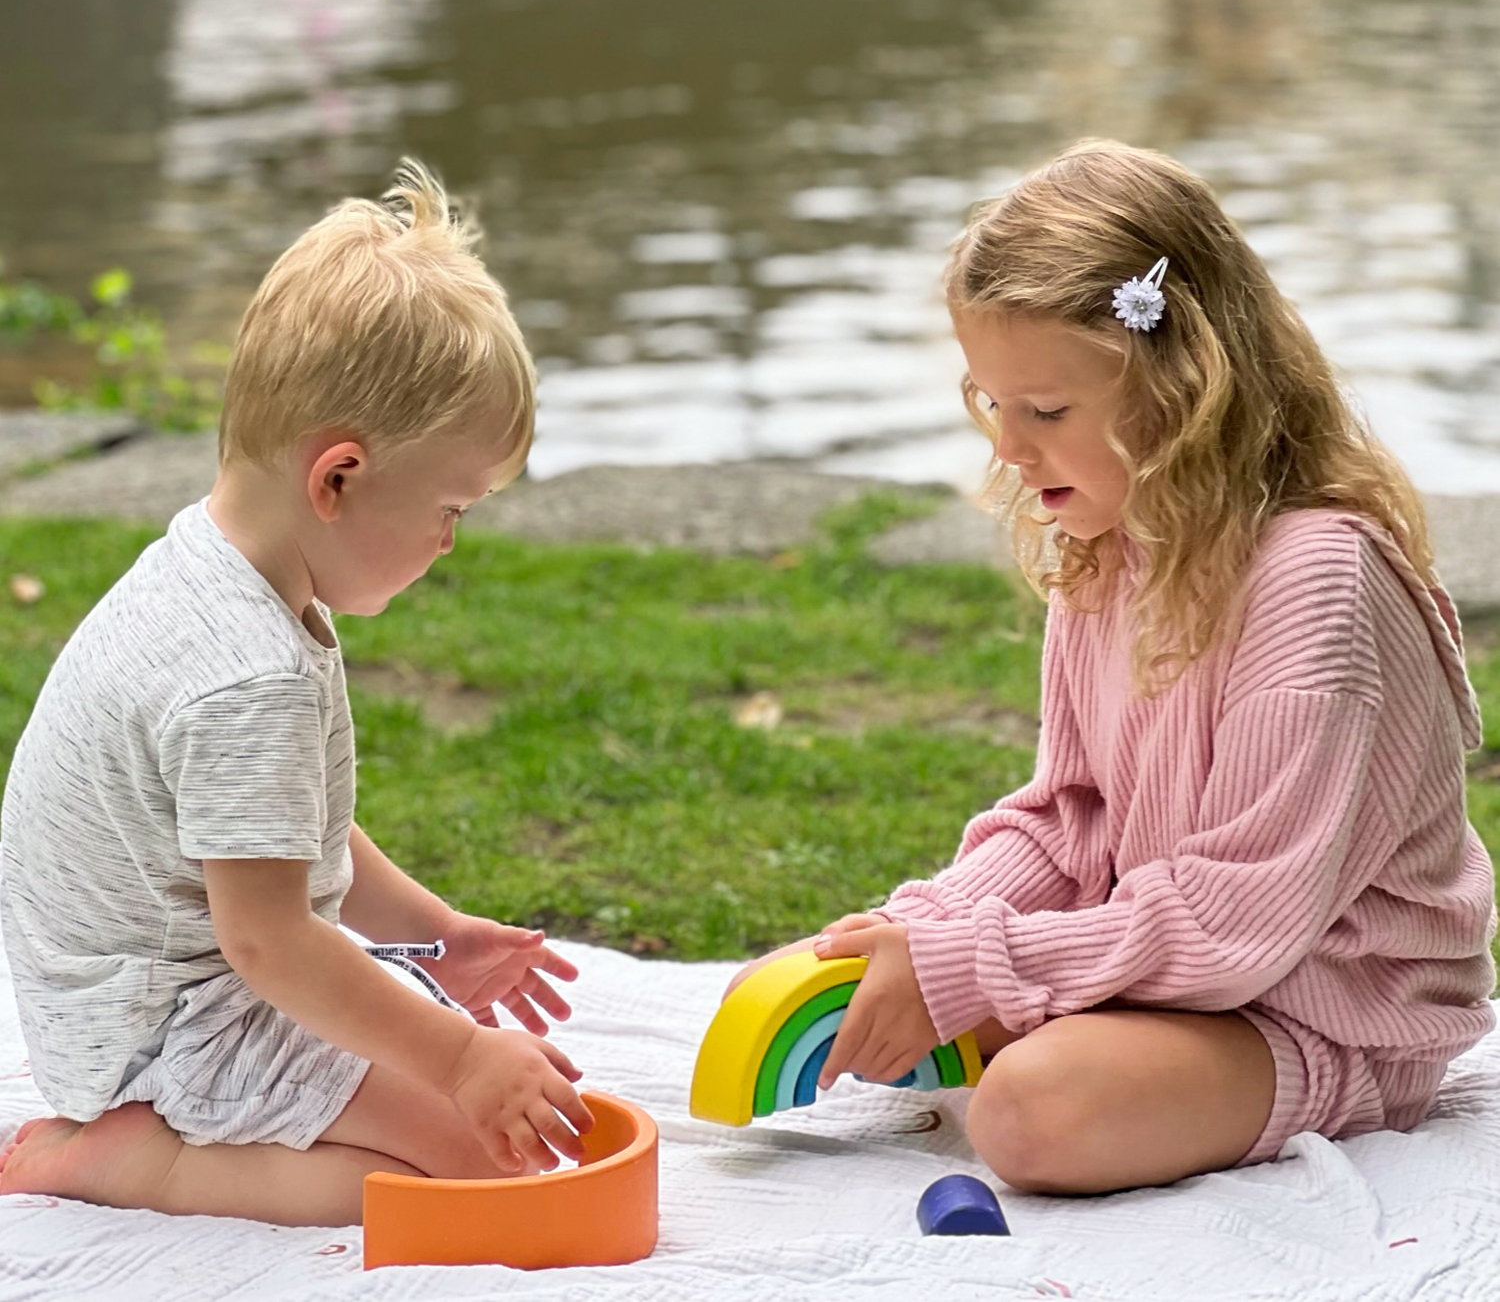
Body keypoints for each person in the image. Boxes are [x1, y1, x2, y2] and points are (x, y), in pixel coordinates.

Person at [731, 139, 1497, 1196]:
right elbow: (1073, 813)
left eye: (1045, 412)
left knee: (1034, 1114)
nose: (1008, 447)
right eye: (992, 403)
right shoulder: (1113, 544)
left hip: (1319, 1007)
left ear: (1187, 392)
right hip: (1193, 975)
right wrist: (936, 922)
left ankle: (1172, 1059)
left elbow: (1239, 927)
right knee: (870, 986)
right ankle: (1065, 1011)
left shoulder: (1317, 581)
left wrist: (978, 965)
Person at [0, 159, 593, 1226]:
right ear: (339, 479)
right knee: (476, 1165)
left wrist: (438, 936)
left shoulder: (222, 567)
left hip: (139, 994)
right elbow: (269, 941)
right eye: (450, 508)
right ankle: (132, 1162)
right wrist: (459, 1060)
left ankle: (157, 1131)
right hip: (160, 1033)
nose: (451, 542)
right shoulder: (246, 675)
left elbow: (289, 837)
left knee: (485, 1124)